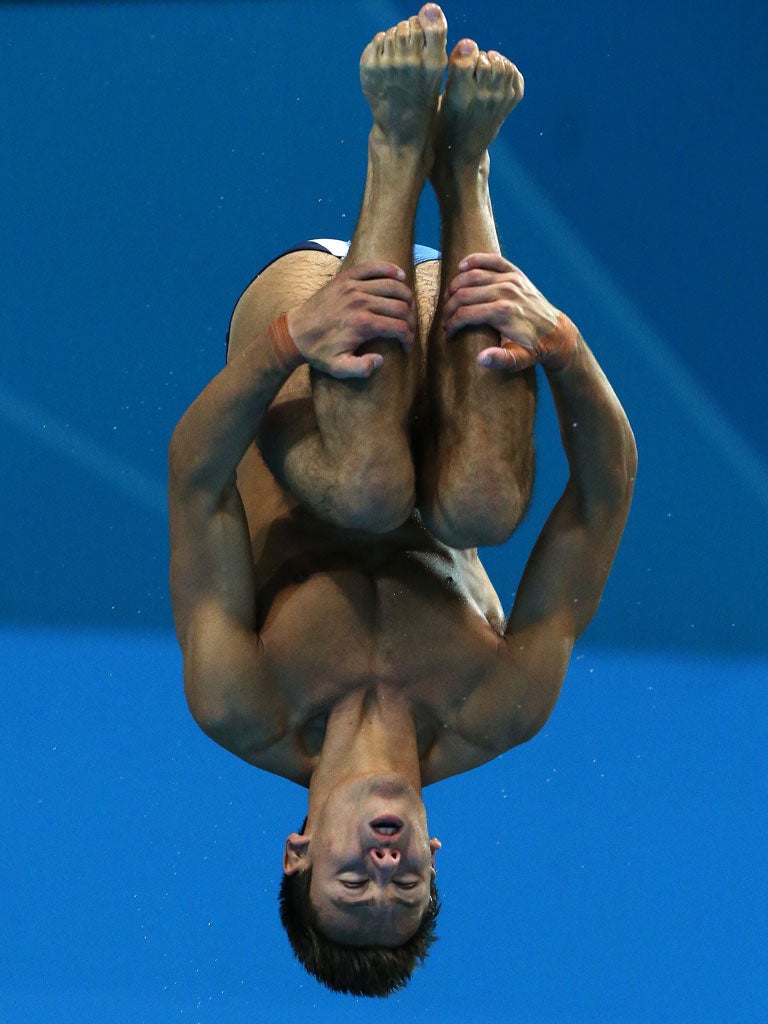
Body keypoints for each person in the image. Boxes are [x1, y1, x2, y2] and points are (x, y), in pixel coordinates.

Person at [168, 3, 637, 999]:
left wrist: (293, 339)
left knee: (372, 487)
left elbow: (195, 475)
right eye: (406, 881)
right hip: (457, 322)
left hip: (305, 327)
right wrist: (562, 347)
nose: (384, 864)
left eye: (353, 879)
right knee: (478, 504)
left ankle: (394, 142)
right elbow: (601, 501)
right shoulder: (497, 707)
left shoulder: (240, 701)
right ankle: (464, 169)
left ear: (298, 849)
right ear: (436, 852)